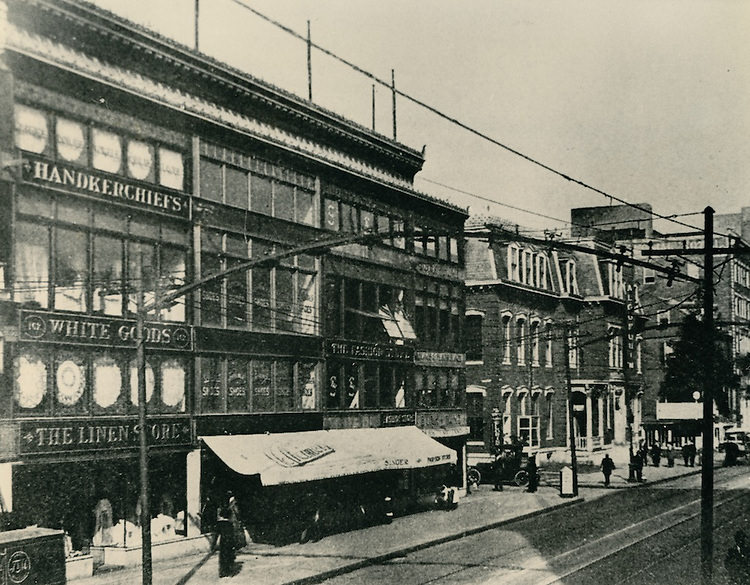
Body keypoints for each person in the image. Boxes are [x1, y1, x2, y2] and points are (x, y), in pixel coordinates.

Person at [216, 497, 237, 578]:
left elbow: (217, 534)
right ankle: (229, 572)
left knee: (223, 556)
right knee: (229, 556)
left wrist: (214, 544)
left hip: (223, 542)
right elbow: (232, 534)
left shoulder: (220, 524)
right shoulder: (230, 524)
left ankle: (222, 572)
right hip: (229, 542)